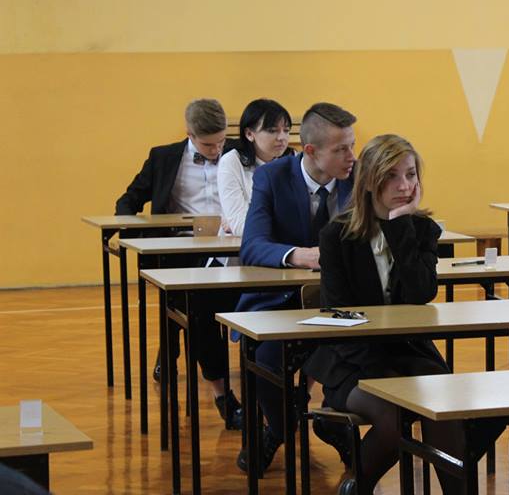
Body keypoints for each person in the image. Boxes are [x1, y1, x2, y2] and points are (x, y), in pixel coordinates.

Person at [301, 134, 496, 495]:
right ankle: (358, 487)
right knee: (395, 417)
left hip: (409, 354)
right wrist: (385, 377)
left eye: (410, 175)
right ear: (369, 181)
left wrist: (400, 225)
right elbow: (339, 315)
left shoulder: (422, 230)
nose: (404, 186)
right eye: (391, 176)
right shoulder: (336, 236)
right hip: (352, 360)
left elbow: (421, 293)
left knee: (444, 409)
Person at [235, 102, 356, 475]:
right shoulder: (272, 177)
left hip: (342, 304)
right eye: (341, 149)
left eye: (353, 145)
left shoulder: (360, 178)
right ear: (311, 151)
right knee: (265, 359)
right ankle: (282, 425)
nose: (352, 156)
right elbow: (252, 245)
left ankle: (333, 424)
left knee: (361, 354)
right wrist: (298, 255)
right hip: (281, 302)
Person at [114, 98, 243, 427]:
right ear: (189, 134)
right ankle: (190, 364)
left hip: (230, 248)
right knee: (193, 306)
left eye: (220, 142)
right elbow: (130, 198)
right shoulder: (164, 157)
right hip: (179, 249)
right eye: (208, 145)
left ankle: (187, 350)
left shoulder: (239, 154)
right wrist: (128, 232)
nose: (216, 150)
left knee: (202, 311)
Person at [217, 98, 293, 238]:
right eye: (272, 130)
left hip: (287, 247)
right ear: (249, 134)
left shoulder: (294, 160)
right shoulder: (231, 162)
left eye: (286, 130)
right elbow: (241, 226)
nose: (282, 137)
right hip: (240, 248)